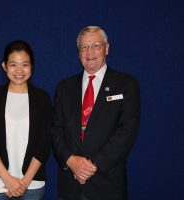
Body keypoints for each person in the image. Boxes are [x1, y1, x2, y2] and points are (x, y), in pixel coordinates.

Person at [51, 26, 140, 200]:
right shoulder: (64, 87)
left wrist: (91, 165)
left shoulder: (126, 84)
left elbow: (127, 132)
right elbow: (55, 130)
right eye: (84, 47)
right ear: (79, 53)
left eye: (96, 45)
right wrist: (70, 160)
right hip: (71, 186)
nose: (89, 52)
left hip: (108, 184)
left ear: (107, 49)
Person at [0, 40, 52, 200]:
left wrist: (24, 182)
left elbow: (45, 143)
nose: (19, 70)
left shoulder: (42, 99)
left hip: (32, 185)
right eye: (13, 65)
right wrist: (7, 178)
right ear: (4, 66)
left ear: (31, 66)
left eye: (25, 65)